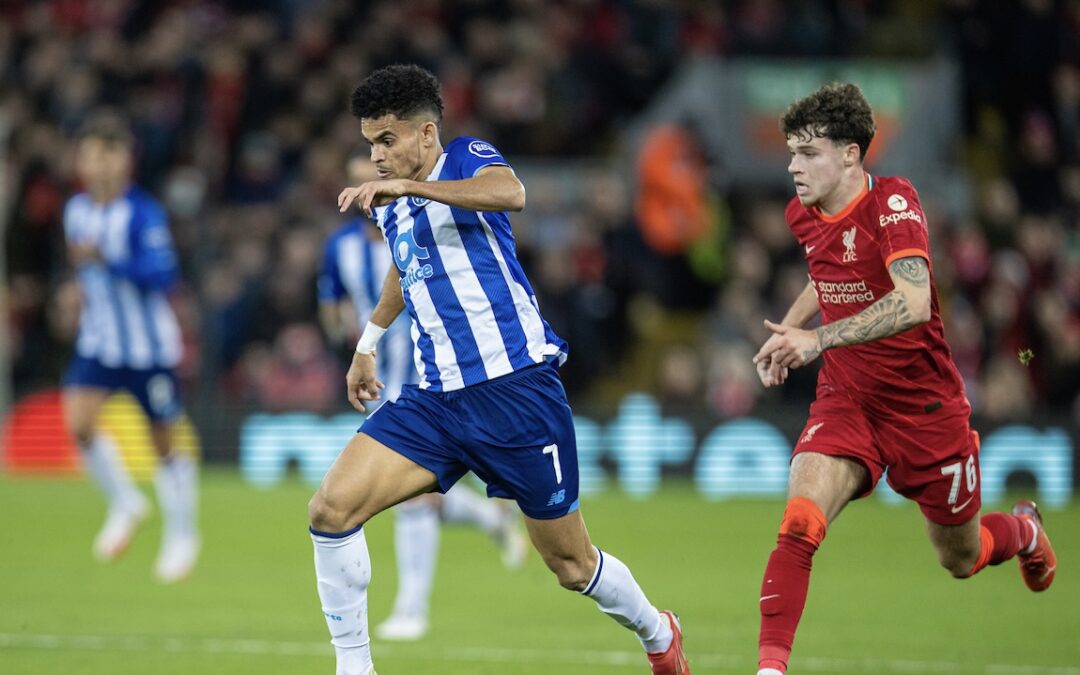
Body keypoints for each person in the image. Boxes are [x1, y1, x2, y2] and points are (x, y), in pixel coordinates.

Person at [306, 64, 690, 675]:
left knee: (570, 565)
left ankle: (656, 631)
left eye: (387, 141)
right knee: (330, 510)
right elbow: (406, 270)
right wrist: (368, 342)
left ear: (426, 134)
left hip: (515, 392)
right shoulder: (393, 205)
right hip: (434, 400)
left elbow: (512, 193)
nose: (375, 156)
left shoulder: (463, 158)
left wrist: (414, 190)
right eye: (368, 143)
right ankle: (355, 668)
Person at [750, 82, 1057, 675]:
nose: (792, 167)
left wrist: (816, 339)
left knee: (960, 557)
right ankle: (770, 670)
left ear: (849, 154)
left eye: (807, 153)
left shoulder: (893, 204)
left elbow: (914, 301)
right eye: (790, 153)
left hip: (925, 409)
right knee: (799, 523)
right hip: (846, 401)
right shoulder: (803, 212)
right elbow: (828, 272)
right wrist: (787, 329)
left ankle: (1023, 530)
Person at [317, 153, 527, 641]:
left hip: (432, 380)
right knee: (410, 496)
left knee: (412, 500)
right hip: (379, 380)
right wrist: (350, 340)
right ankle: (489, 518)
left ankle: (412, 607)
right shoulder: (340, 247)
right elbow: (330, 300)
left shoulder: (417, 223)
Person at [61, 111, 200, 583]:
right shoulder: (75, 211)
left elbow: (164, 276)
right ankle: (126, 503)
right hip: (99, 342)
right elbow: (83, 273)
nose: (99, 165)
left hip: (149, 350)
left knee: (163, 443)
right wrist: (73, 293)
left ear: (124, 162)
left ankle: (183, 533)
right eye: (92, 156)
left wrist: (108, 260)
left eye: (109, 155)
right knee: (78, 423)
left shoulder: (143, 213)